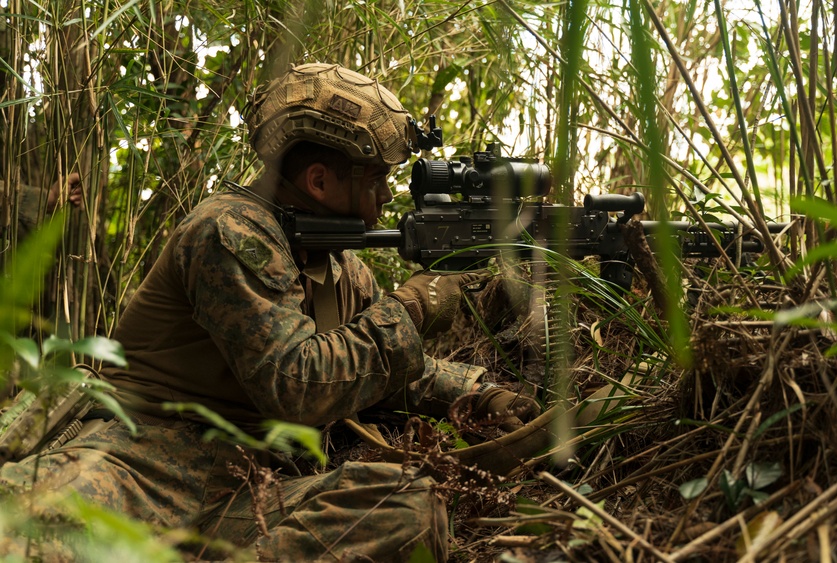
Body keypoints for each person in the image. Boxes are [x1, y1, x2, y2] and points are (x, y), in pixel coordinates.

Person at [0, 63, 537, 561]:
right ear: (320, 181)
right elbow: (298, 382)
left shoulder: (338, 265)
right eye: (374, 181)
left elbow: (371, 361)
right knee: (25, 535)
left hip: (244, 491)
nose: (385, 198)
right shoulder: (229, 232)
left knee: (407, 508)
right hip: (138, 465)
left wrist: (477, 392)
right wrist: (414, 306)